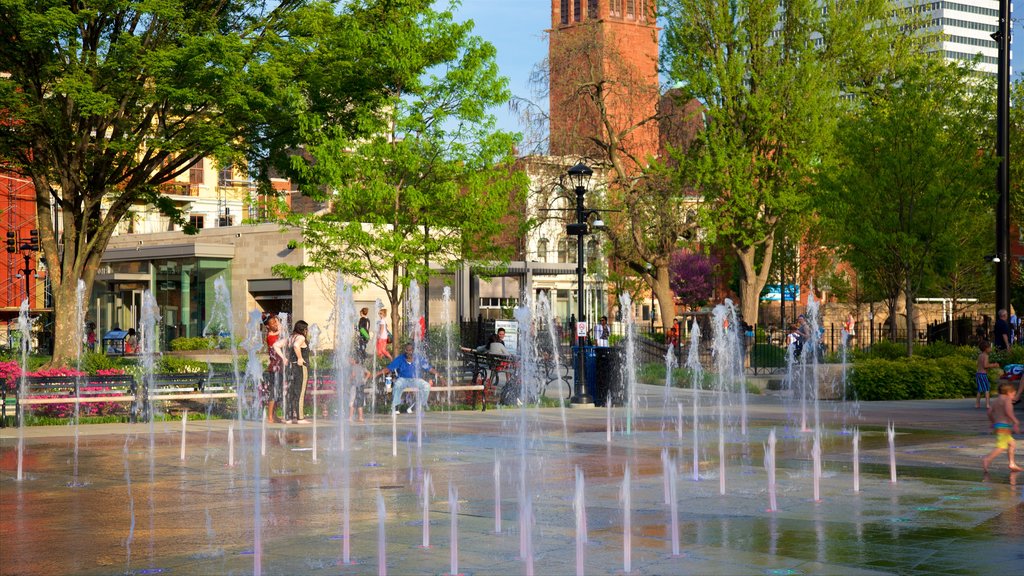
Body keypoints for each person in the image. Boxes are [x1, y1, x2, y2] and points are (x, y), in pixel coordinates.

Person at [375, 342, 443, 414]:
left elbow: (430, 369)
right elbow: (389, 369)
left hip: (415, 379)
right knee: (397, 385)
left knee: (426, 386)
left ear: (413, 350)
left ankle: (416, 405)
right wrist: (376, 374)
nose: (407, 352)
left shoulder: (418, 358)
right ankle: (396, 407)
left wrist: (440, 376)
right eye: (406, 350)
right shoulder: (400, 358)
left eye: (409, 350)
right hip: (403, 379)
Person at [982, 382, 1022, 473]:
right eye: (1013, 394)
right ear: (1009, 392)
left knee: (1012, 443)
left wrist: (992, 422)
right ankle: (987, 459)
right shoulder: (1007, 399)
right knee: (1002, 446)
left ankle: (1012, 463)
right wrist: (1015, 421)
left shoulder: (996, 401)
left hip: (998, 425)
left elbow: (989, 412)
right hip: (1004, 426)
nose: (1013, 397)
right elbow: (1008, 412)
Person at [260, 315, 287, 423]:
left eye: (276, 322)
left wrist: (278, 321)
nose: (276, 325)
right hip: (274, 368)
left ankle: (274, 415)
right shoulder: (270, 337)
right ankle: (270, 416)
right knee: (273, 392)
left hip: (280, 368)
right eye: (273, 323)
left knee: (278, 392)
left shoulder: (277, 334)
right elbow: (281, 334)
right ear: (267, 326)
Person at [286, 320, 310, 423]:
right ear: (303, 329)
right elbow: (296, 346)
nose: (307, 331)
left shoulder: (291, 337)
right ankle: (300, 417)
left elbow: (277, 345)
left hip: (292, 367)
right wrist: (300, 358)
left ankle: (289, 417)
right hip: (301, 368)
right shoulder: (301, 337)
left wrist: (285, 358)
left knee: (291, 392)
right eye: (306, 329)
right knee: (300, 392)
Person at [976, 341, 1000, 409]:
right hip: (983, 374)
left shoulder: (980, 355)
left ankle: (977, 404)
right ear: (986, 348)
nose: (990, 349)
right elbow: (985, 365)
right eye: (989, 348)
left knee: (979, 390)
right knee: (987, 389)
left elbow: (978, 364)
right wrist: (994, 365)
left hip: (978, 374)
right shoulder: (986, 356)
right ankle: (987, 404)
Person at [348, 354, 371, 422]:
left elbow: (353, 375)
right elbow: (369, 373)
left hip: (354, 386)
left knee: (352, 401)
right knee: (360, 401)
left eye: (350, 359)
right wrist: (365, 380)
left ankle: (350, 417)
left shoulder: (353, 367)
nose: (349, 360)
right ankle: (360, 417)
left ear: (354, 360)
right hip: (361, 386)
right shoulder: (361, 366)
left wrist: (348, 381)